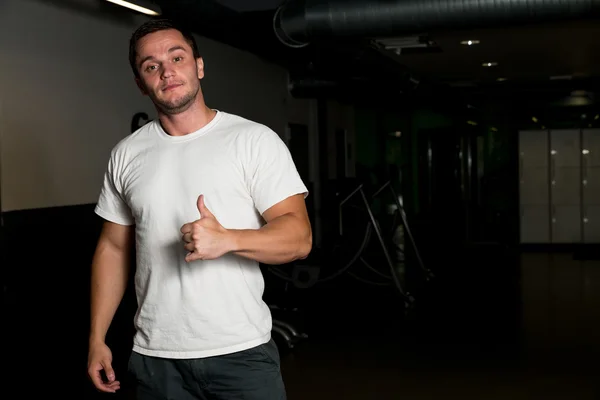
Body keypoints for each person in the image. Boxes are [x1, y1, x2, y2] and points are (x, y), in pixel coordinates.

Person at [86, 18, 312, 400]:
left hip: (240, 353)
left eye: (177, 57)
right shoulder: (126, 154)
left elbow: (299, 238)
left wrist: (227, 240)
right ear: (141, 83)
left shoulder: (253, 140)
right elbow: (114, 248)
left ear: (199, 66)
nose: (167, 71)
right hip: (156, 359)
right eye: (151, 65)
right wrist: (97, 337)